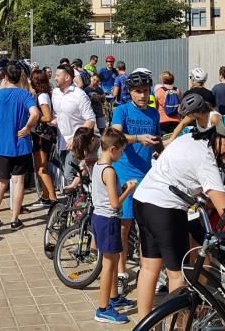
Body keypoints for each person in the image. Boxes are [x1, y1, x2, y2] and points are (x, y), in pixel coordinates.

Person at [133, 121, 225, 318]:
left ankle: (143, 323)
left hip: (142, 200)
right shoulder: (207, 159)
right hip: (166, 210)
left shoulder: (189, 138)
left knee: (148, 269)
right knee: (177, 275)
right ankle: (179, 326)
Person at [111, 69, 162, 292]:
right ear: (129, 92)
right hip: (124, 174)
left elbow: (158, 142)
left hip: (147, 176)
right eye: (138, 91)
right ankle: (121, 272)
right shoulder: (121, 111)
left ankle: (147, 270)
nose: (142, 95)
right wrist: (138, 138)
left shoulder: (154, 114)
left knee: (147, 228)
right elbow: (114, 136)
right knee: (124, 226)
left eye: (145, 91)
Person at [0, 63, 40, 231]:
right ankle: (14, 219)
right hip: (20, 145)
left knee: (1, 182)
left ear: (5, 77)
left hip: (1, 145)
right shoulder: (26, 95)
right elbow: (35, 114)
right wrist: (27, 127)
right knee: (18, 182)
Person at [92, 127, 136, 324]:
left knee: (113, 258)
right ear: (113, 149)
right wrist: (128, 189)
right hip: (109, 219)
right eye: (122, 151)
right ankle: (103, 308)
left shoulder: (97, 165)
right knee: (109, 265)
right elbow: (115, 203)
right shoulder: (109, 171)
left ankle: (114, 297)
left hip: (100, 217)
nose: (122, 155)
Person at [51, 64, 96, 184]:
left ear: (67, 77)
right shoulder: (55, 93)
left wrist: (75, 138)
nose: (55, 78)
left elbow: (91, 119)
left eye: (57, 75)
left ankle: (81, 199)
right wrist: (54, 121)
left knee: (69, 174)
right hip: (61, 142)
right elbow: (59, 114)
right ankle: (82, 193)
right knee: (68, 172)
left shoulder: (79, 95)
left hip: (76, 143)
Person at [29, 68, 57, 210]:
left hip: (41, 136)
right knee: (42, 168)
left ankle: (52, 199)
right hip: (41, 135)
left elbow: (47, 116)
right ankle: (46, 197)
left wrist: (34, 117)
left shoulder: (42, 97)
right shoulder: (44, 94)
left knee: (41, 169)